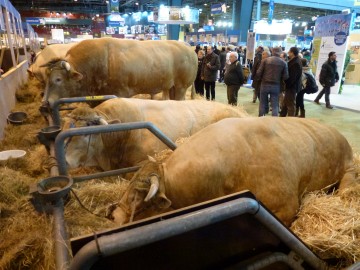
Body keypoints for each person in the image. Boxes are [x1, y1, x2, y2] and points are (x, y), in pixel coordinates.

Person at [255, 46, 288, 117]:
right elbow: (286, 77)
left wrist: (261, 78)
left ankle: (261, 119)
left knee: (262, 103)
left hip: (264, 84)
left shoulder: (265, 60)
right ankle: (274, 121)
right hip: (276, 85)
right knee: (275, 105)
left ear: (272, 51)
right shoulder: (284, 63)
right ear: (280, 53)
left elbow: (258, 73)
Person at [280, 47, 302, 117]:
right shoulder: (294, 61)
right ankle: (282, 117)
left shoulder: (295, 63)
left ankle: (291, 120)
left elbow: (293, 78)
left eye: (289, 51)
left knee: (291, 105)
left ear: (292, 52)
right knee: (285, 103)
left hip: (292, 87)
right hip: (291, 86)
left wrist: (286, 84)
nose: (288, 53)